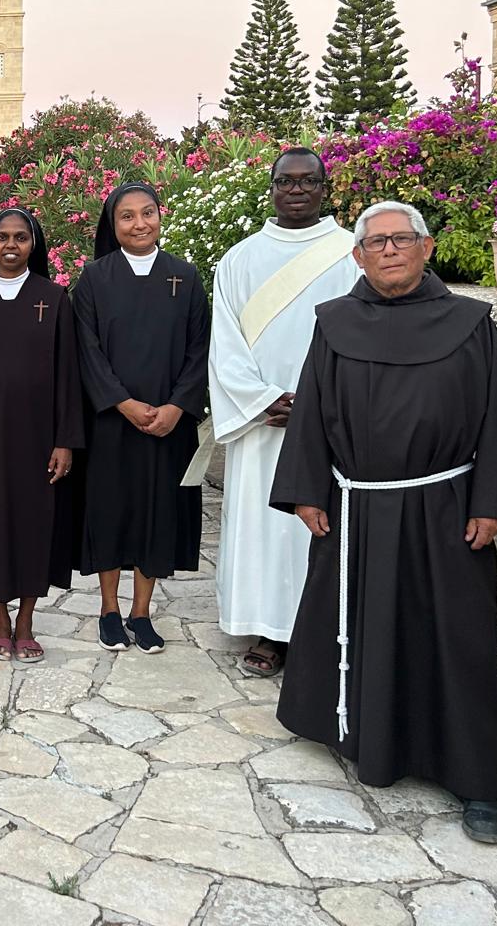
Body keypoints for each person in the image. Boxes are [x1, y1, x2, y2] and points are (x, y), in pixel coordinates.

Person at [271, 200, 497, 845]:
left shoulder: (470, 323)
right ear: (358, 256)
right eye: (376, 242)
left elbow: (496, 414)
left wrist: (492, 501)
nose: (389, 250)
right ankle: (369, 741)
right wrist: (306, 490)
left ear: (426, 247)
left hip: (445, 507)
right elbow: (314, 410)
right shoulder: (334, 324)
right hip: (357, 505)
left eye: (401, 239)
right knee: (361, 624)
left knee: (459, 637)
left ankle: (477, 780)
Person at [205, 148, 358, 678]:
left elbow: (362, 336)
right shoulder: (239, 259)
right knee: (266, 530)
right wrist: (260, 399)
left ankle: (321, 633)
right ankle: (268, 629)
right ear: (271, 188)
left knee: (318, 529)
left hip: (329, 421)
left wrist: (319, 404)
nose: (296, 190)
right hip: (263, 423)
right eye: (285, 181)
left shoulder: (350, 254)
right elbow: (224, 342)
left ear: (324, 188)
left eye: (308, 181)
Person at [73, 182, 208, 655]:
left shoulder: (184, 276)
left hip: (167, 425)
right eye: (126, 216)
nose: (139, 224)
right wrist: (122, 402)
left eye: (147, 213)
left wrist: (177, 406)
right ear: (113, 225)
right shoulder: (94, 279)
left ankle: (141, 613)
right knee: (111, 512)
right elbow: (86, 350)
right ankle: (109, 610)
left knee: (157, 513)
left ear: (159, 215)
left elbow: (200, 349)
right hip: (112, 423)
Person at [0, 208, 82, 663]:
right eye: (2, 237)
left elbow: (69, 375)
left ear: (33, 243)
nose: (11, 245)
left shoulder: (54, 298)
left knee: (33, 526)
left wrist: (65, 440)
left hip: (38, 439)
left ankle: (25, 622)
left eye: (20, 237)